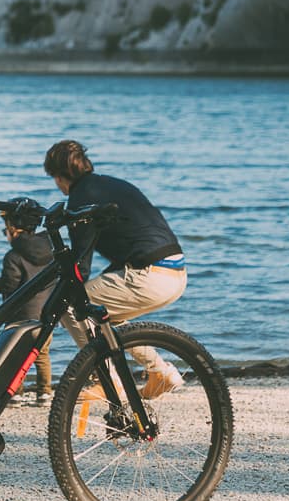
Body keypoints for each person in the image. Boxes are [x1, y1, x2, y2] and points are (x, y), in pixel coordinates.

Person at [43, 139, 186, 399]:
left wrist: (52, 295)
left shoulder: (81, 199)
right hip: (175, 271)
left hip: (149, 275)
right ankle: (160, 372)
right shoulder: (113, 185)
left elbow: (80, 266)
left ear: (60, 176)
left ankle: (109, 381)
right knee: (107, 314)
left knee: (72, 308)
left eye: (54, 178)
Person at [0, 203, 57, 405]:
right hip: (46, 313)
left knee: (16, 356)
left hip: (19, 317)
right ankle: (44, 393)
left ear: (14, 230)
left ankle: (15, 392)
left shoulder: (13, 257)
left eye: (5, 231)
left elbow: (10, 285)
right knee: (42, 355)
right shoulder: (50, 252)